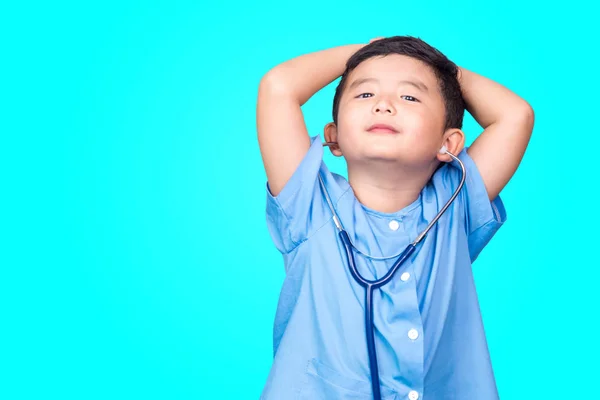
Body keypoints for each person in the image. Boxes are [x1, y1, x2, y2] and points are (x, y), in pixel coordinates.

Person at [256, 35, 534, 399]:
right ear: (334, 137)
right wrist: (366, 50)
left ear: (448, 145)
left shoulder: (455, 206)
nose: (384, 105)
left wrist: (439, 68)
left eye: (410, 97)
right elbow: (278, 87)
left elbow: (515, 115)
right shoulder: (309, 202)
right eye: (365, 94)